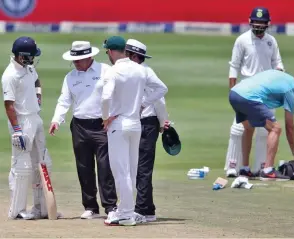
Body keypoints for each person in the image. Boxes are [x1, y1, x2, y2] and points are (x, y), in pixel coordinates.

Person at [101, 36, 168, 226]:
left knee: (120, 171)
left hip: (118, 125)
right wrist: (143, 104)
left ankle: (126, 213)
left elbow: (106, 97)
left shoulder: (113, 71)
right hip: (136, 124)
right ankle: (126, 211)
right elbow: (162, 89)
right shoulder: (141, 70)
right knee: (130, 170)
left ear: (112, 52)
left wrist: (105, 117)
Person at [49, 41, 118, 219]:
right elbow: (64, 101)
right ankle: (91, 207)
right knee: (84, 167)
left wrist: (114, 115)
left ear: (90, 57)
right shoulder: (70, 77)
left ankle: (110, 206)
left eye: (79, 59)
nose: (76, 63)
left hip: (102, 125)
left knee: (105, 167)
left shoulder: (106, 71)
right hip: (79, 125)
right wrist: (57, 119)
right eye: (74, 59)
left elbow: (117, 94)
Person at [225, 7, 284, 178]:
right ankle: (233, 166)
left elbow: (277, 62)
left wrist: (279, 74)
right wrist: (232, 91)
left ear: (267, 24)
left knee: (265, 131)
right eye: (255, 22)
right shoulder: (242, 40)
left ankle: (259, 167)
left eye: (262, 23)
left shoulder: (271, 41)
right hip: (247, 89)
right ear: (250, 22)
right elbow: (234, 66)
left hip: (267, 90)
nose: (258, 26)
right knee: (238, 129)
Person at [1, 36, 54, 219]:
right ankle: (17, 211)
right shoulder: (10, 75)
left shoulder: (29, 68)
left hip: (35, 118)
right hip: (22, 122)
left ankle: (42, 208)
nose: (33, 58)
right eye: (31, 55)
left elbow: (37, 82)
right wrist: (17, 130)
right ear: (22, 56)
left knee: (42, 161)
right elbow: (9, 105)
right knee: (22, 167)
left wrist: (38, 96)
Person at [229, 69, 294, 181]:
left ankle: (244, 169)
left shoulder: (282, 76)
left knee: (249, 128)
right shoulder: (290, 89)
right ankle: (268, 170)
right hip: (249, 97)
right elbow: (290, 126)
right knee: (276, 129)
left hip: (235, 93)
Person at [125, 39, 170, 223]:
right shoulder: (132, 71)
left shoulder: (145, 72)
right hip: (138, 123)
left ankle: (142, 210)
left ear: (135, 57)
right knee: (134, 167)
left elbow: (160, 95)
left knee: (142, 168)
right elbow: (158, 99)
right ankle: (149, 209)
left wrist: (161, 121)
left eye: (127, 54)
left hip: (146, 124)